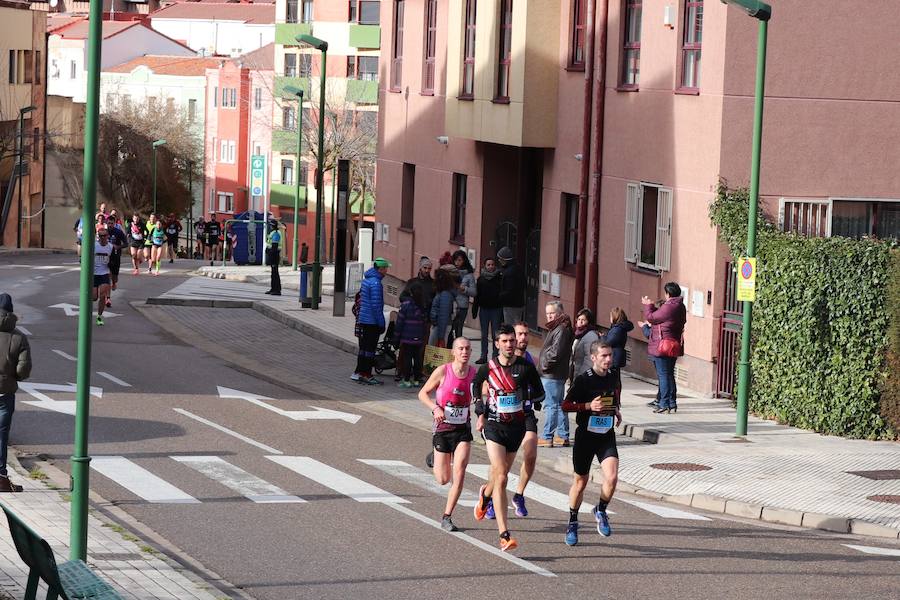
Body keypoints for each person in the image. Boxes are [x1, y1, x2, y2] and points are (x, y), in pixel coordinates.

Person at [471, 324, 544, 552]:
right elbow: (476, 386)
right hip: (494, 426)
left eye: (512, 341)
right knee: (501, 475)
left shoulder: (525, 367)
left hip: (517, 427)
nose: (510, 345)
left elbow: (539, 392)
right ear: (497, 344)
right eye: (505, 341)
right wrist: (480, 409)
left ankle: (485, 494)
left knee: (500, 475)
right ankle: (504, 535)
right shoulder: (488, 368)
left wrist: (527, 399)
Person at [561, 340, 622, 545]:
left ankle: (601, 510)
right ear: (593, 357)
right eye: (604, 356)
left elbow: (613, 394)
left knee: (612, 477)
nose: (608, 359)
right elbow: (566, 405)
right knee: (580, 482)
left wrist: (615, 410)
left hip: (606, 434)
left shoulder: (614, 374)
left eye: (610, 355)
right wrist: (588, 405)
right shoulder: (583, 380)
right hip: (586, 436)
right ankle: (572, 522)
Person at [418, 337, 477, 532]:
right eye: (460, 348)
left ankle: (447, 516)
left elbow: (483, 393)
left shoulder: (474, 374)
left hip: (462, 430)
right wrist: (435, 408)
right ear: (453, 352)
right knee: (443, 479)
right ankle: (434, 457)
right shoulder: (443, 371)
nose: (464, 352)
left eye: (468, 349)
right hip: (443, 429)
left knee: (459, 472)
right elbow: (423, 393)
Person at [0, 294, 31, 493]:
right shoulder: (19, 337)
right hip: (5, 393)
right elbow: (23, 369)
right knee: (2, 434)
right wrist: (13, 378)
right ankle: (1, 476)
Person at [642, 282, 687, 414]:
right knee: (669, 374)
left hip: (663, 346)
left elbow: (651, 317)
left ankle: (663, 404)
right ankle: (672, 403)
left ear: (668, 294)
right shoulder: (680, 306)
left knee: (663, 375)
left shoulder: (669, 306)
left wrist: (648, 305)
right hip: (673, 344)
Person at [538, 301, 574, 447]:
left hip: (552, 374)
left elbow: (555, 353)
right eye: (547, 314)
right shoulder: (560, 328)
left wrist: (544, 365)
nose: (549, 316)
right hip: (556, 373)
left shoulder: (560, 329)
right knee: (559, 405)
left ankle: (547, 436)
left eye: (552, 313)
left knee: (551, 405)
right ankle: (562, 435)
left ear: (559, 313)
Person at [352, 257, 390, 385]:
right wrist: (381, 323)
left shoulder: (367, 280)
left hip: (363, 319)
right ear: (380, 269)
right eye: (385, 268)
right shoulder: (376, 284)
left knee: (363, 348)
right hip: (372, 321)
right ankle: (366, 374)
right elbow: (376, 306)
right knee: (370, 349)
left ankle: (359, 372)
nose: (386, 271)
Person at [394, 285, 427, 388]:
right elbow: (425, 322)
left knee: (407, 358)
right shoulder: (422, 306)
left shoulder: (405, 305)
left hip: (407, 337)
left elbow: (400, 322)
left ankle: (407, 380)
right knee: (417, 358)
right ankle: (417, 380)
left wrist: (396, 336)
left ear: (411, 293)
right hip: (419, 337)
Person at [473, 257, 502, 364]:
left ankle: (495, 356)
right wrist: (475, 309)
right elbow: (477, 295)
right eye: (488, 264)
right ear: (485, 266)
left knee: (496, 334)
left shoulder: (499, 278)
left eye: (492, 264)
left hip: (496, 309)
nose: (491, 266)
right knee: (484, 334)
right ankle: (483, 355)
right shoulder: (481, 279)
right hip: (484, 310)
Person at [450, 250, 476, 341]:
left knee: (458, 330)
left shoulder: (469, 275)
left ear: (464, 260)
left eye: (460, 260)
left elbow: (473, 292)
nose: (457, 263)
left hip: (462, 306)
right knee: (449, 330)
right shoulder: (450, 271)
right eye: (455, 260)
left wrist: (464, 289)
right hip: (451, 304)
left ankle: (458, 349)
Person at [570, 308, 601, 381]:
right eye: (579, 319)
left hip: (584, 376)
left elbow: (590, 359)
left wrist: (582, 375)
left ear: (588, 322)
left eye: (583, 320)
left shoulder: (591, 335)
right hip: (576, 373)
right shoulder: (578, 334)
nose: (580, 322)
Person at [496, 246, 525, 326]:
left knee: (511, 326)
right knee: (516, 324)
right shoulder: (518, 268)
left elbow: (509, 290)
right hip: (519, 303)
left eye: (500, 259)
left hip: (511, 305)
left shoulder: (509, 272)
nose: (499, 260)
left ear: (505, 260)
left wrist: (498, 296)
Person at [429, 268, 456, 347]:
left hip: (440, 326)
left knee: (434, 351)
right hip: (439, 325)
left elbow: (443, 315)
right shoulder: (442, 293)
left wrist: (441, 337)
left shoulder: (445, 294)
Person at [92, 229, 113, 326]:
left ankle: (99, 316)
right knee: (94, 297)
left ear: (107, 236)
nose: (103, 237)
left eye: (104, 235)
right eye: (101, 236)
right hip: (93, 274)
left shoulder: (111, 247)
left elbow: (114, 263)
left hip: (105, 273)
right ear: (98, 237)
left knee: (102, 296)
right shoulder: (94, 246)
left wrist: (114, 279)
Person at [105, 215, 127, 307]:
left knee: (114, 278)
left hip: (116, 257)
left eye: (111, 223)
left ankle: (114, 283)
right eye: (108, 223)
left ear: (114, 224)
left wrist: (118, 247)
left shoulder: (118, 232)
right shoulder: (104, 232)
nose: (110, 225)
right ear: (107, 223)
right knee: (107, 278)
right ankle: (108, 299)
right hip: (106, 258)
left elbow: (126, 243)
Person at [605, 307, 634, 372]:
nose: (610, 318)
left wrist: (602, 338)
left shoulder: (617, 329)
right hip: (616, 355)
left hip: (614, 356)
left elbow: (609, 342)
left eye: (611, 316)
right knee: (615, 378)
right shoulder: (619, 328)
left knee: (613, 378)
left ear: (615, 317)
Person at [265, 220, 282, 295]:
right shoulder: (274, 232)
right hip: (273, 254)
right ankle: (273, 289)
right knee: (273, 273)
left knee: (275, 273)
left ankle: (277, 290)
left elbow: (274, 246)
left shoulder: (276, 233)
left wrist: (269, 253)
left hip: (274, 255)